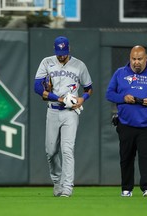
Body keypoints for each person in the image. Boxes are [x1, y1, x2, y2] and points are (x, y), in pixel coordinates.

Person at [106, 45, 147, 197]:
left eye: (139, 59)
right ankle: (126, 189)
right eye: (134, 59)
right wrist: (123, 98)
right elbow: (109, 94)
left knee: (146, 157)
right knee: (126, 157)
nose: (136, 62)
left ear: (146, 59)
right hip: (126, 124)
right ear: (130, 58)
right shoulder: (120, 73)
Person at [34, 36, 93, 197]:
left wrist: (82, 99)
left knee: (67, 150)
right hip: (53, 109)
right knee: (51, 151)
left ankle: (67, 187)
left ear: (69, 49)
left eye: (64, 52)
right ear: (55, 50)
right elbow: (37, 88)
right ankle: (57, 181)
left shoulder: (79, 65)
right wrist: (57, 98)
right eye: (59, 53)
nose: (62, 55)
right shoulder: (47, 62)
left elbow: (89, 89)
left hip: (70, 112)